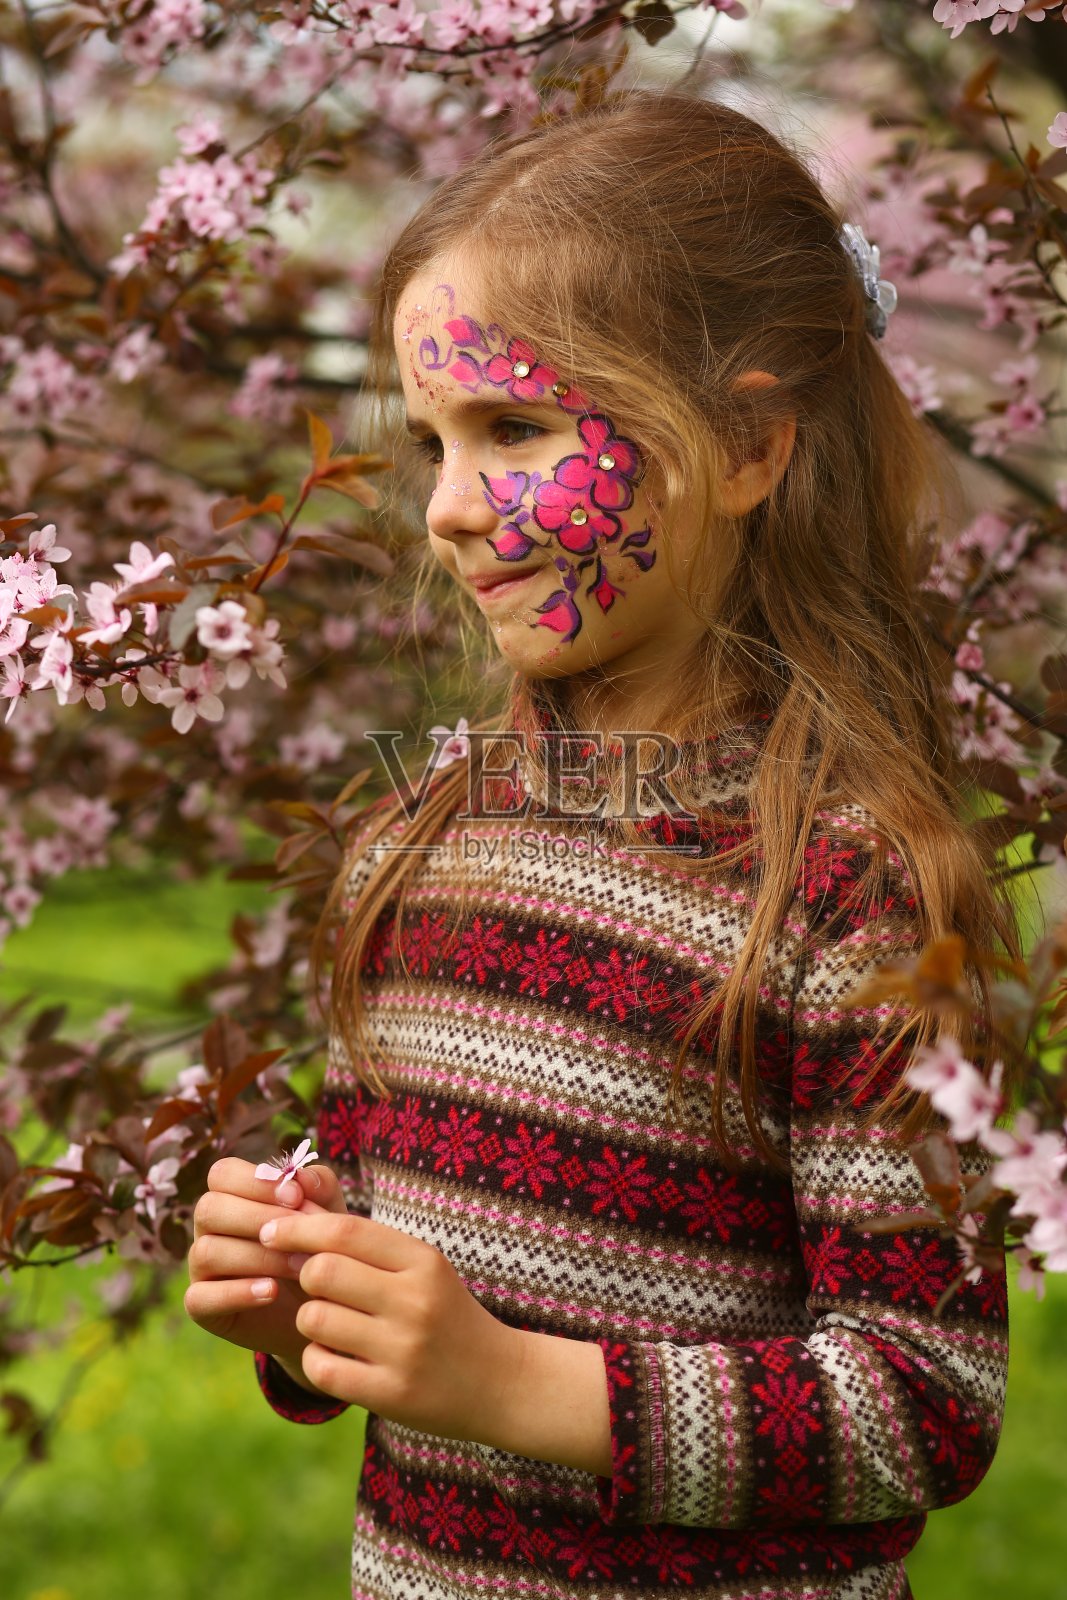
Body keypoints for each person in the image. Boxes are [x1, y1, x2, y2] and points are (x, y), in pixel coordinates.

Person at [185, 93, 1019, 1600]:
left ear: (751, 444)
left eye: (512, 427)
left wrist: (523, 1390)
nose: (444, 507)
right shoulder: (425, 835)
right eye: (434, 439)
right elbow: (404, 1220)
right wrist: (301, 1286)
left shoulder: (850, 892)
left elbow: (924, 1402)